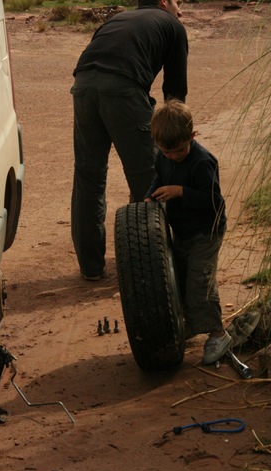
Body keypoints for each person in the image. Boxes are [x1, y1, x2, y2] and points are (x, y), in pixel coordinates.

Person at [70, 0, 188, 281]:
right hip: (122, 88)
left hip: (83, 85)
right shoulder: (173, 26)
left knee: (89, 176)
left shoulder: (117, 20)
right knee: (148, 177)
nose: (180, 9)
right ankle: (145, 266)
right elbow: (175, 94)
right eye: (177, 2)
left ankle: (91, 268)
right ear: (163, 2)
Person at [144, 99, 232, 364]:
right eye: (166, 151)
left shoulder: (202, 162)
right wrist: (150, 197)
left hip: (206, 232)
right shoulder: (164, 157)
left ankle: (218, 334)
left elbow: (214, 201)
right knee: (181, 277)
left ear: (192, 136)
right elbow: (159, 179)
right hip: (181, 231)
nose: (173, 156)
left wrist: (181, 192)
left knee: (199, 282)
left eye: (179, 151)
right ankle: (194, 324)